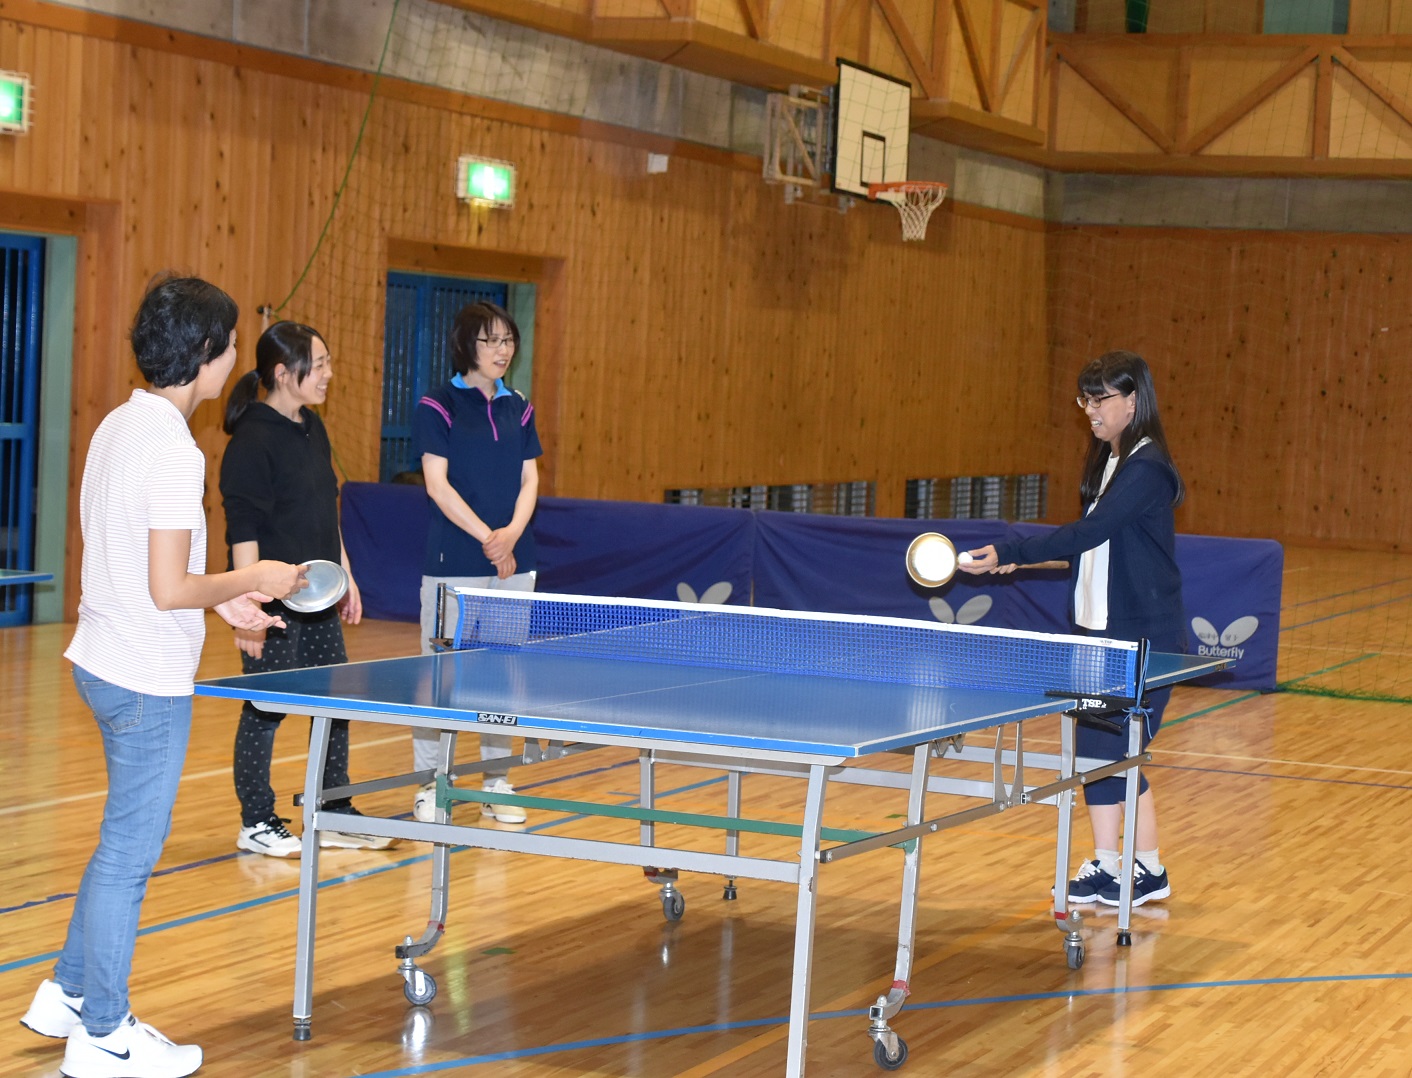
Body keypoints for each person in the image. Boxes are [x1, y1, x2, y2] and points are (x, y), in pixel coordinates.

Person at [20, 276, 305, 1078]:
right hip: (144, 680)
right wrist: (257, 579)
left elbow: (143, 564)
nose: (234, 360)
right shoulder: (175, 450)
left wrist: (223, 602)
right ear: (206, 354)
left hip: (101, 659)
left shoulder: (119, 424)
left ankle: (67, 993)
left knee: (118, 842)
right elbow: (169, 586)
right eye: (230, 346)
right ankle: (104, 1034)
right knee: (129, 856)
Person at [959, 349, 1185, 908]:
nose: (1090, 409)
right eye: (1086, 398)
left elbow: (1092, 531)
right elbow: (1096, 549)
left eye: (1101, 398)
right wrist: (1021, 562)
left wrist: (1015, 549)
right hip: (1098, 633)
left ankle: (1149, 868)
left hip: (1139, 638)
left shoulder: (1147, 468)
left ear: (1133, 401)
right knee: (1094, 752)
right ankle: (1110, 863)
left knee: (1120, 750)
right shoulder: (1110, 461)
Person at [220, 321, 395, 858]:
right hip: (273, 602)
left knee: (333, 703)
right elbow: (242, 531)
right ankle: (255, 820)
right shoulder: (252, 440)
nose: (328, 374)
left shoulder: (312, 426)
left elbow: (324, 508)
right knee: (265, 707)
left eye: (326, 363)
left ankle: (333, 811)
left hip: (318, 596)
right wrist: (250, 609)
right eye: (318, 365)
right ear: (282, 373)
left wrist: (346, 575)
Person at [410, 300, 541, 825]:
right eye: (490, 340)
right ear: (467, 345)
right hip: (455, 562)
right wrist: (490, 538)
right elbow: (436, 485)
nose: (501, 349)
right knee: (438, 678)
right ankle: (431, 785)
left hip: (514, 564)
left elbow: (531, 479)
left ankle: (496, 781)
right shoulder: (437, 405)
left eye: (507, 340)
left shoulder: (519, 406)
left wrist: (510, 537)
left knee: (502, 676)